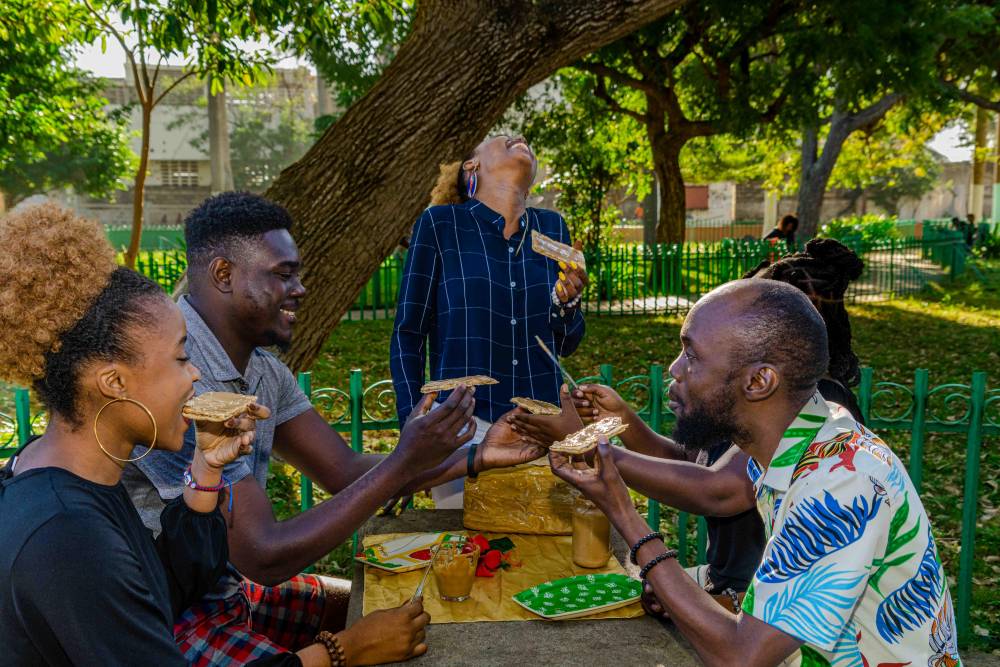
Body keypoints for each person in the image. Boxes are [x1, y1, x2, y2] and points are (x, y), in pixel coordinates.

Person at [122, 192, 545, 665]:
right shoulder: (174, 381)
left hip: (230, 591)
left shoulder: (263, 371)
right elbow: (263, 555)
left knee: (368, 602)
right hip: (167, 618)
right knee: (384, 635)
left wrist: (477, 455)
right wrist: (406, 459)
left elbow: (344, 470)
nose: (300, 288)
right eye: (283, 274)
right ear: (224, 275)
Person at [550, 280, 960, 666]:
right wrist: (690, 595)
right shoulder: (807, 438)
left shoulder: (838, 482)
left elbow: (740, 657)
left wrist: (624, 512)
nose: (674, 370)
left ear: (759, 381)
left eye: (691, 355)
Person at [0, 203, 333, 665]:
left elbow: (164, 592)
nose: (195, 374)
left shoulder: (74, 473)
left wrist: (205, 469)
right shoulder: (66, 533)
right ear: (115, 383)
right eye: (180, 358)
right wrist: (338, 654)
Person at [511, 239, 868, 610]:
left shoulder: (819, 408)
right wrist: (619, 421)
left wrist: (588, 446)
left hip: (756, 600)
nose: (675, 368)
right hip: (727, 585)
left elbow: (720, 490)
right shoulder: (752, 405)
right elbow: (690, 463)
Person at [390, 135, 588, 507]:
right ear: (472, 167)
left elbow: (566, 343)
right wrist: (411, 431)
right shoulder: (441, 224)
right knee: (468, 555)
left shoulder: (552, 228)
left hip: (540, 431)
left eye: (527, 141)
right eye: (505, 138)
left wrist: (568, 304)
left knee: (546, 559)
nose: (522, 140)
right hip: (463, 431)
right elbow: (408, 333)